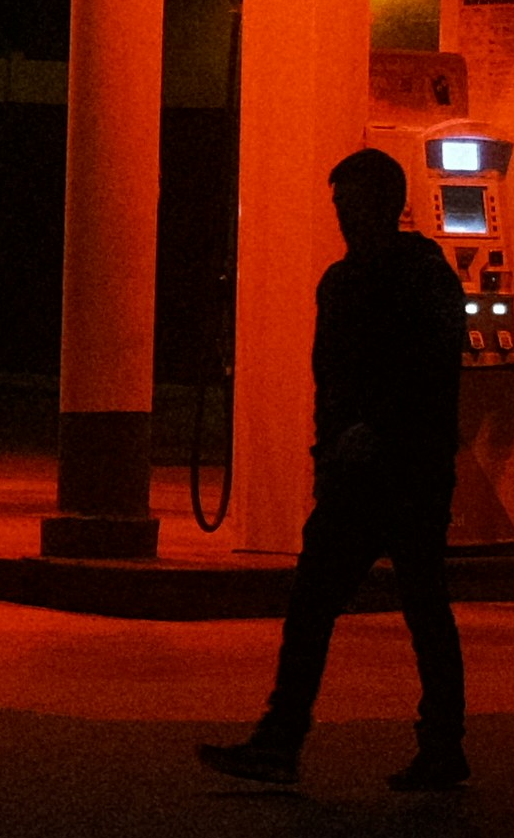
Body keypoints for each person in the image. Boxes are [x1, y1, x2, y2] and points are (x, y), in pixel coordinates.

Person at [199, 147, 472, 794]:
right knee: (345, 602)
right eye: (340, 207)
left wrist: (364, 434)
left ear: (386, 206)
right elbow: (338, 380)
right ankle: (302, 738)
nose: (345, 219)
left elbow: (423, 374)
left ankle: (294, 739)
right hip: (376, 469)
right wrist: (332, 452)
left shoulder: (410, 279)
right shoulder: (362, 281)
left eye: (353, 206)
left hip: (402, 471)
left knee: (403, 606)